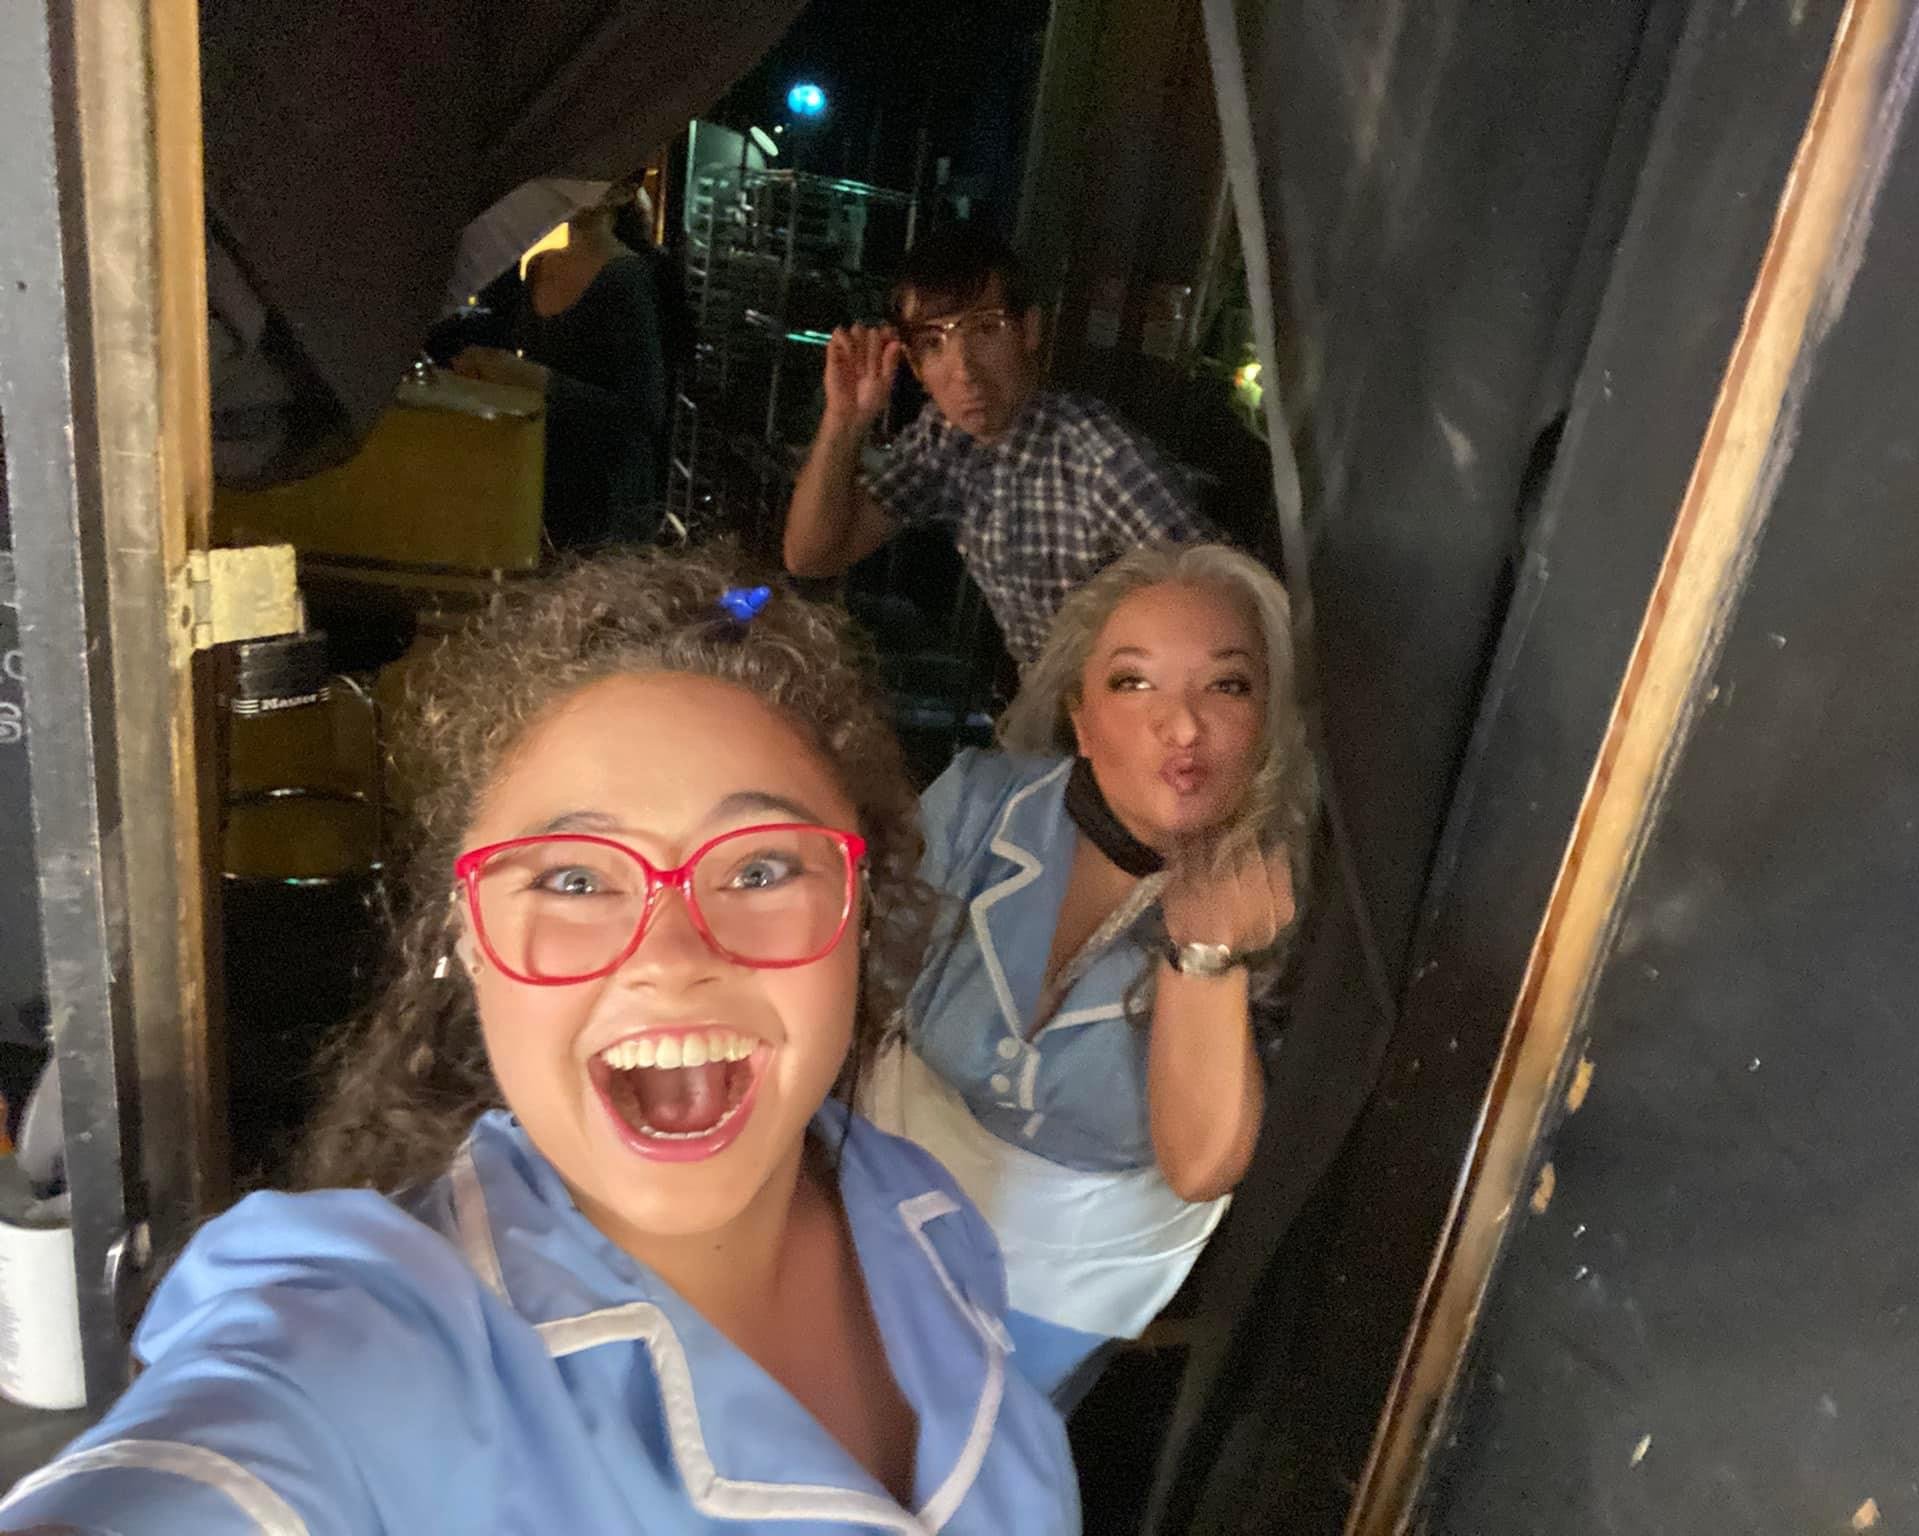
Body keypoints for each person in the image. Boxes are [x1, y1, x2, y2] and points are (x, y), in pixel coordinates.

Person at [0, 551, 1081, 1534]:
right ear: (462, 942)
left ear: (860, 910)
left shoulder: (922, 1218)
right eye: (572, 880)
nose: (669, 954)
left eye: (758, 870)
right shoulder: (370, 1344)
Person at [864, 543, 1315, 1412]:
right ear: (1081, 717)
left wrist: (1206, 959)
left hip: (1067, 1273)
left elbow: (1198, 1165)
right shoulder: (986, 804)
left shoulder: (1284, 903)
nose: (1181, 727)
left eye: (1227, 686)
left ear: (1269, 720)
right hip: (887, 1175)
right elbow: (856, 989)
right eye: (1134, 683)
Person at [782, 225, 1214, 665]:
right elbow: (811, 557)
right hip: (1043, 703)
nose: (963, 368)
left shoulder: (1100, 458)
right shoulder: (945, 440)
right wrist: (845, 420)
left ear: (1029, 330)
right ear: (913, 365)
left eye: (987, 329)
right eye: (934, 343)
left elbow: (1228, 607)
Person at [453, 178, 669, 551]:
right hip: (540, 480)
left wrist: (531, 378)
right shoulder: (538, 265)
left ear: (622, 193)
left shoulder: (626, 279)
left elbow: (643, 411)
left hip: (605, 498)